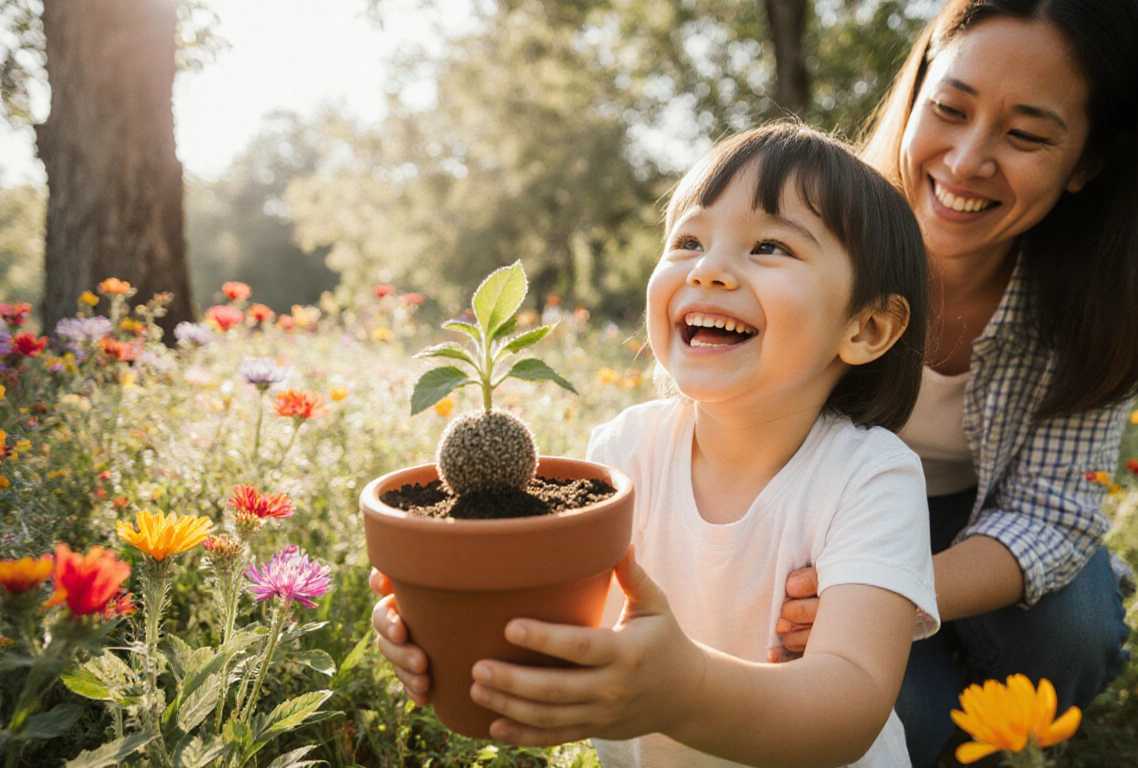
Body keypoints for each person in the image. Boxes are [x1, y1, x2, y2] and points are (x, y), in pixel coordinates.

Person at [372, 122, 942, 766]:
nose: (710, 270)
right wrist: (441, 623)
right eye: (689, 240)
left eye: (771, 247)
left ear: (866, 327)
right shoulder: (625, 450)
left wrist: (683, 691)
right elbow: (570, 628)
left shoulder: (871, 476)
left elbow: (851, 704)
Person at [769, 0, 1138, 764]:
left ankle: (959, 656)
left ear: (1090, 162)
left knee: (1074, 643)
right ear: (918, 88)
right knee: (909, 730)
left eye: (1025, 135)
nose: (964, 162)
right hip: (837, 520)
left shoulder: (1100, 302)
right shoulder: (815, 230)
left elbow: (1051, 514)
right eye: (950, 109)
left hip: (986, 520)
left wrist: (894, 592)